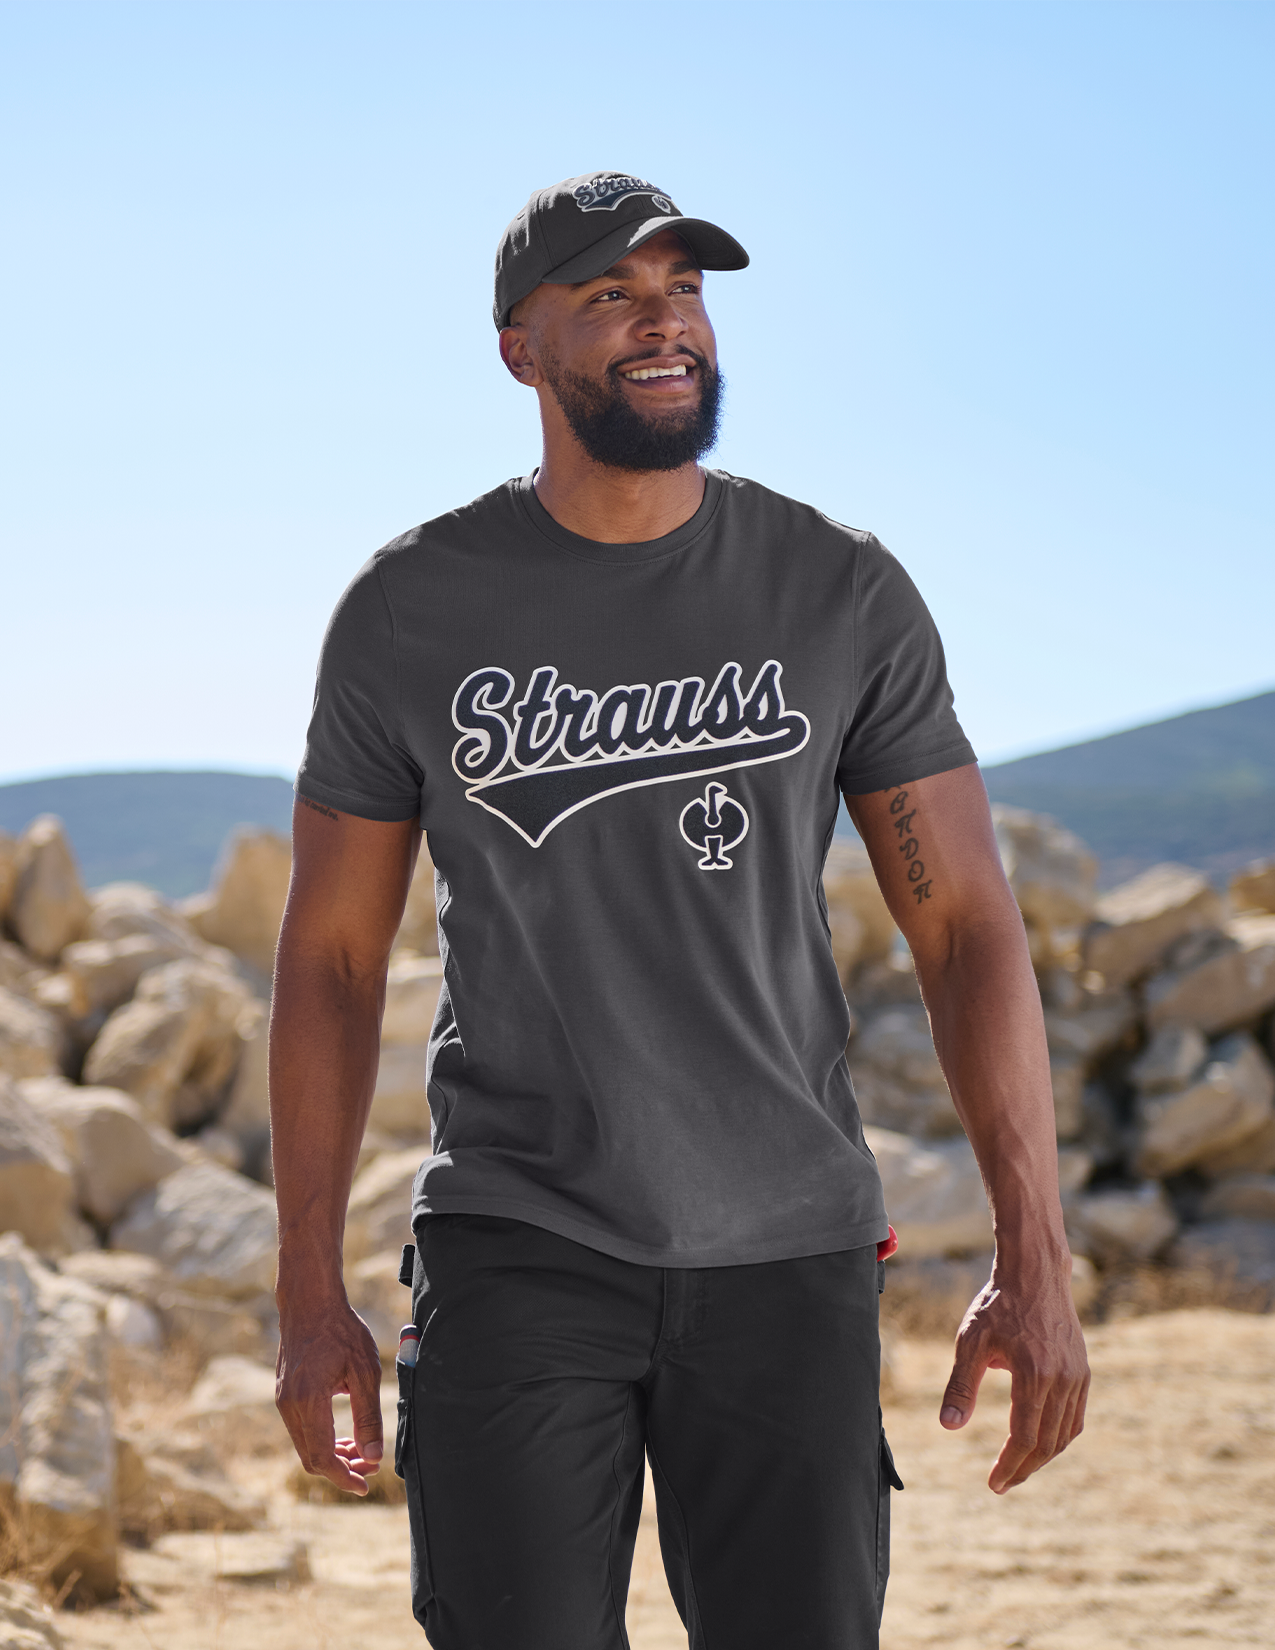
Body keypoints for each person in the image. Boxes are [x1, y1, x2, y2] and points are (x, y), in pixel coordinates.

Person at [271, 170, 1089, 1650]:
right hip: (517, 1243)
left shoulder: (836, 589)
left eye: (683, 291)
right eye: (610, 298)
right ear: (520, 350)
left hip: (787, 1252)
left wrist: (1032, 1252)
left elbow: (964, 924)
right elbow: (330, 961)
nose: (664, 326)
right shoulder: (409, 610)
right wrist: (304, 1284)